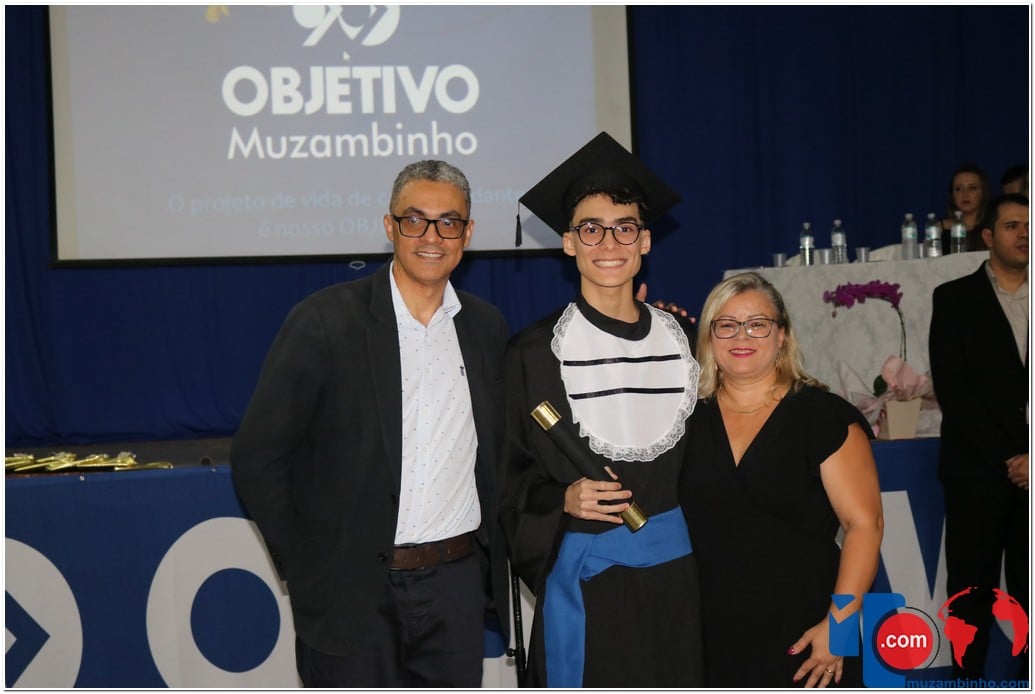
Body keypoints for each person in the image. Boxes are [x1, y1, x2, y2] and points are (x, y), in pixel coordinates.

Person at [230, 160, 510, 687]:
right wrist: (309, 566)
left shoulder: (485, 327)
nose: (432, 236)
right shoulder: (325, 320)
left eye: (449, 222)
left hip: (455, 590)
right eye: (415, 220)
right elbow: (257, 456)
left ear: (468, 233)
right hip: (351, 594)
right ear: (390, 226)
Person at [499, 132, 704, 687]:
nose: (608, 242)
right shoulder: (532, 354)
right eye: (590, 228)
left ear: (645, 241)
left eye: (624, 228)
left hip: (679, 584)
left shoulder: (686, 343)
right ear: (568, 243)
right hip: (586, 582)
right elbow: (506, 478)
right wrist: (560, 499)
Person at [679, 271, 884, 688]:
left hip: (809, 637)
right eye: (727, 324)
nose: (742, 335)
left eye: (758, 324)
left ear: (782, 336)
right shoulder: (684, 422)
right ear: (709, 337)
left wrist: (840, 627)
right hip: (709, 638)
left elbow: (865, 525)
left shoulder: (822, 416)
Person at [929, 192, 1029, 679]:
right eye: (1012, 226)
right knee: (972, 595)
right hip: (978, 473)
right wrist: (1014, 458)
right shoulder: (954, 299)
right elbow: (955, 392)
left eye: (1031, 225)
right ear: (987, 236)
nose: (1025, 234)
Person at [940, 164, 990, 253]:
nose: (965, 194)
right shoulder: (938, 228)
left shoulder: (993, 226)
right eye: (958, 189)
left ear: (983, 192)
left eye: (972, 188)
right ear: (952, 195)